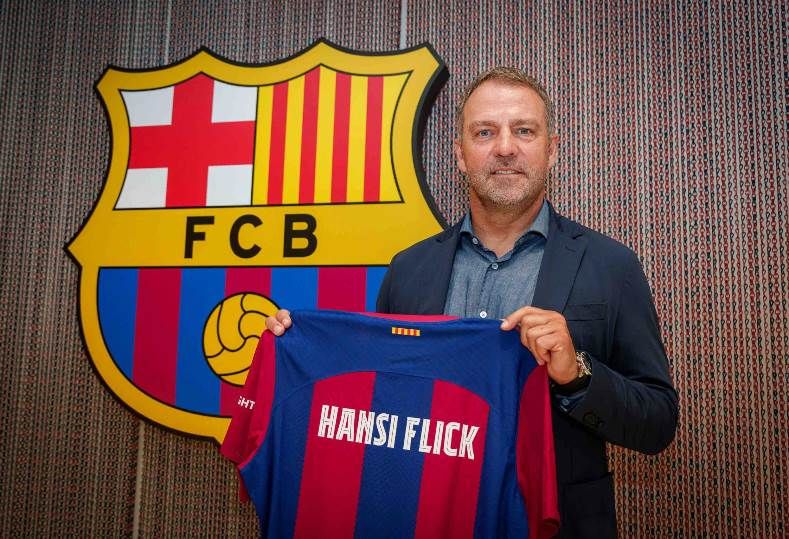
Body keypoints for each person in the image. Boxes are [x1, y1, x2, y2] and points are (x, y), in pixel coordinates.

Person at [266, 67, 678, 538]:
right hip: (424, 519)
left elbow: (658, 422)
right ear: (460, 155)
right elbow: (377, 402)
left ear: (552, 150)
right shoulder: (408, 269)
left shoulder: (611, 265)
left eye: (524, 131)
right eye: (484, 132)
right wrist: (300, 351)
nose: (505, 147)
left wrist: (576, 373)